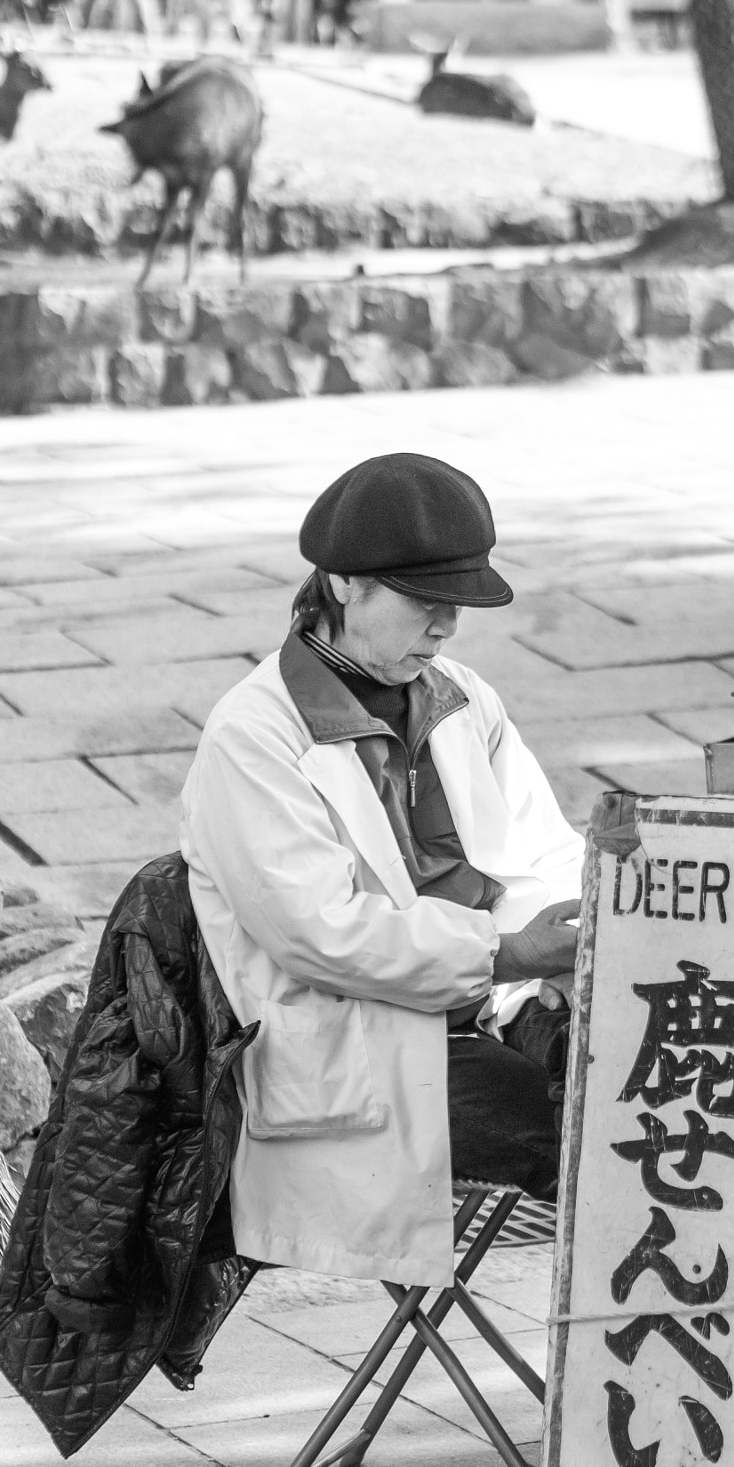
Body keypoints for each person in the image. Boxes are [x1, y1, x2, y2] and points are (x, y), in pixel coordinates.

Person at [179, 453, 584, 1289]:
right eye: (423, 604)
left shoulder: (461, 698)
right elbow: (321, 934)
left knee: (669, 1078)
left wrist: (563, 945)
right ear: (342, 583)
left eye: (455, 607)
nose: (444, 628)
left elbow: (542, 850)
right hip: (370, 1056)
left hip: (492, 1011)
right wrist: (508, 953)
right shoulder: (253, 737)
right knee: (606, 1145)